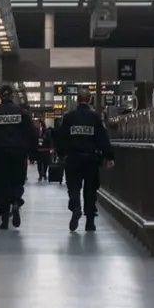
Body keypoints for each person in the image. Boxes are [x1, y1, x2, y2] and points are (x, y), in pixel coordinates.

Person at [57, 89, 114, 232]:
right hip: (91, 159)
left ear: (77, 100)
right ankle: (90, 221)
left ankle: (76, 206)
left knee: (74, 187)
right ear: (90, 100)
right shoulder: (95, 117)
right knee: (90, 190)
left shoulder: (69, 117)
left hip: (73, 159)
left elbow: (61, 137)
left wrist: (61, 154)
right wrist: (110, 156)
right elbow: (103, 138)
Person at [0, 85, 37, 230]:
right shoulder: (22, 113)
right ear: (12, 96)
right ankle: (16, 202)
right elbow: (31, 134)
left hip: (0, 155)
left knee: (2, 185)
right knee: (17, 181)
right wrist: (33, 153)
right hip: (18, 154)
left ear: (0, 96)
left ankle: (4, 216)